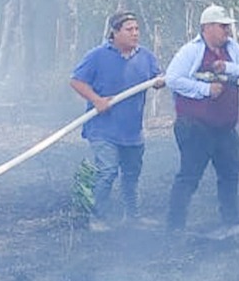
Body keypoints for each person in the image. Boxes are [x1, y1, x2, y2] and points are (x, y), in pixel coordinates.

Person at [69, 12, 166, 229]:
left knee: (131, 174)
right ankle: (97, 218)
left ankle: (132, 216)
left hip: (132, 130)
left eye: (137, 29)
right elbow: (76, 81)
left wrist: (159, 82)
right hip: (103, 128)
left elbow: (157, 77)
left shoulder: (146, 57)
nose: (135, 33)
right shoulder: (97, 56)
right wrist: (96, 100)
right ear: (115, 32)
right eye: (129, 29)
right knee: (108, 171)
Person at [165, 5, 239, 231]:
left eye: (227, 26)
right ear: (207, 27)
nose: (227, 31)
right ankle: (174, 227)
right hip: (195, 126)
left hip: (224, 128)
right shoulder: (190, 51)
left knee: (230, 174)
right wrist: (205, 90)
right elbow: (172, 79)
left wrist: (226, 67)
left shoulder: (232, 48)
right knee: (189, 176)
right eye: (222, 26)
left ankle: (230, 222)